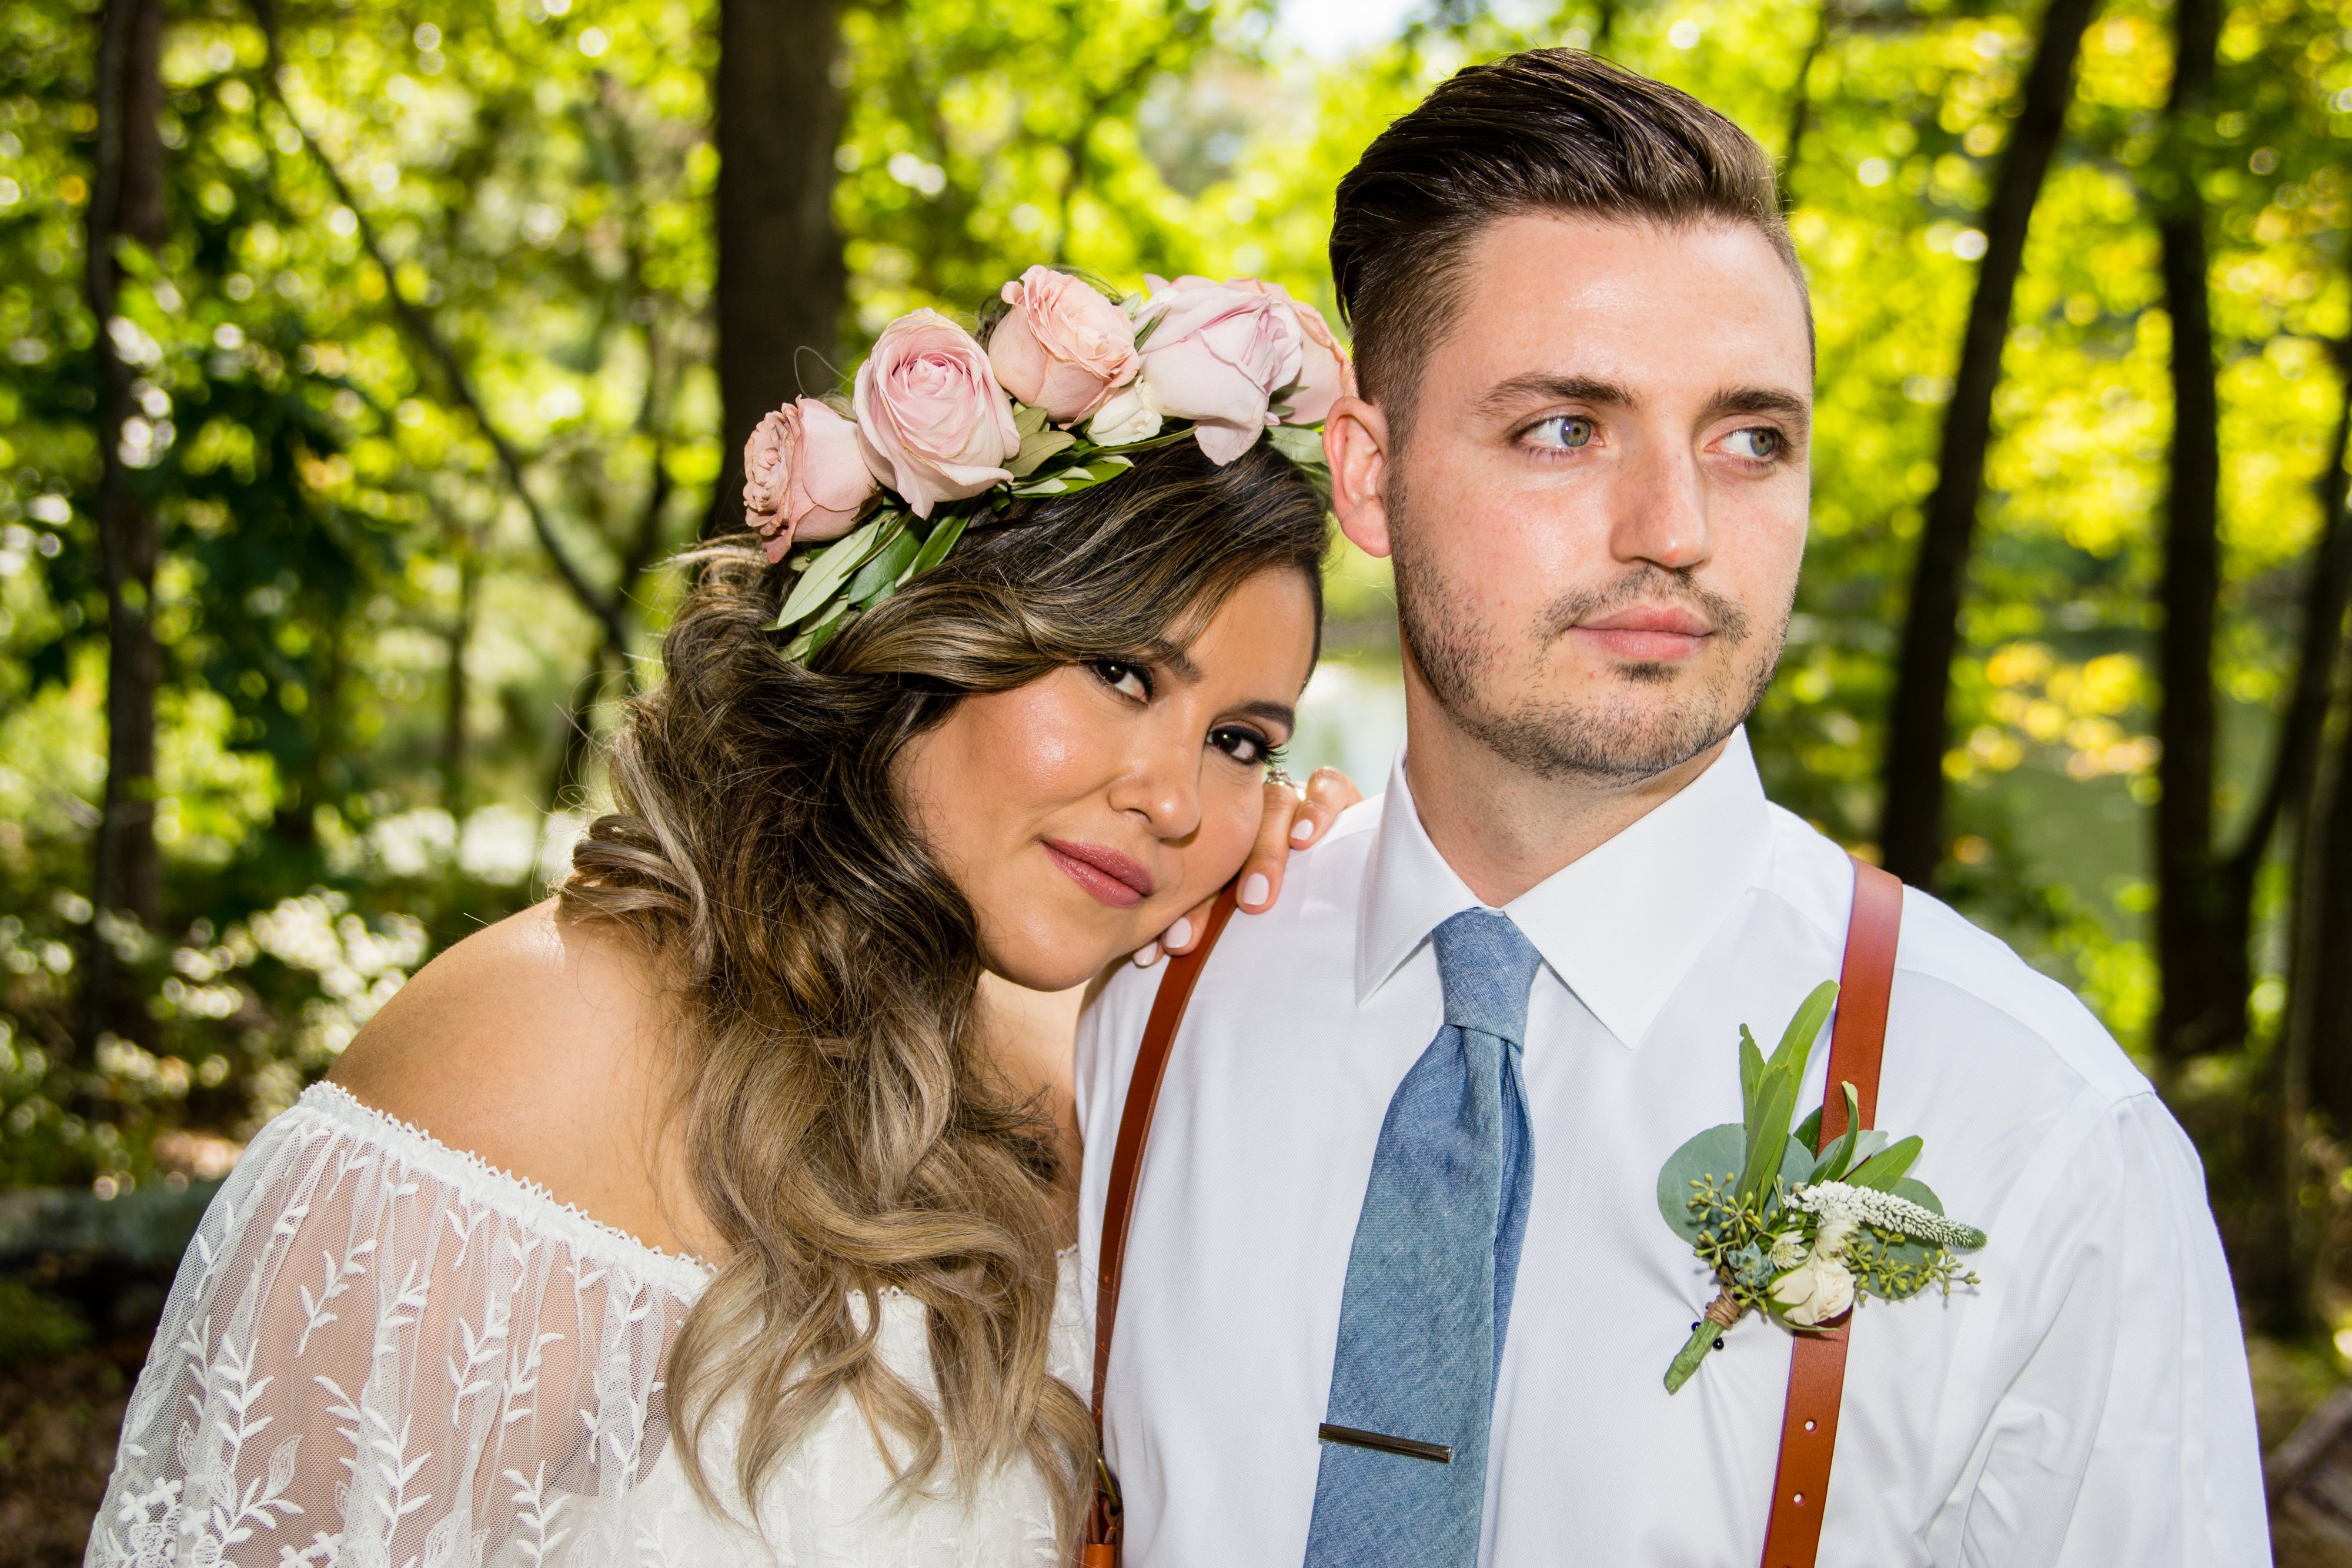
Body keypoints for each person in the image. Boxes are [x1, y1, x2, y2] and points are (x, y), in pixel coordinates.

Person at [1075, 49, 2267, 1568]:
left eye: (1751, 438)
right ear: (1367, 478)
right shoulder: (1153, 995)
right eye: (1566, 428)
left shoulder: (2040, 1142)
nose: (1680, 531)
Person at [86, 272, 1364, 1567]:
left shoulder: (1090, 1072)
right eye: (1120, 670)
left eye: (1239, 740)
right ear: (928, 623)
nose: (1171, 796)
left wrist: (1301, 939)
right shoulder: (539, 1046)